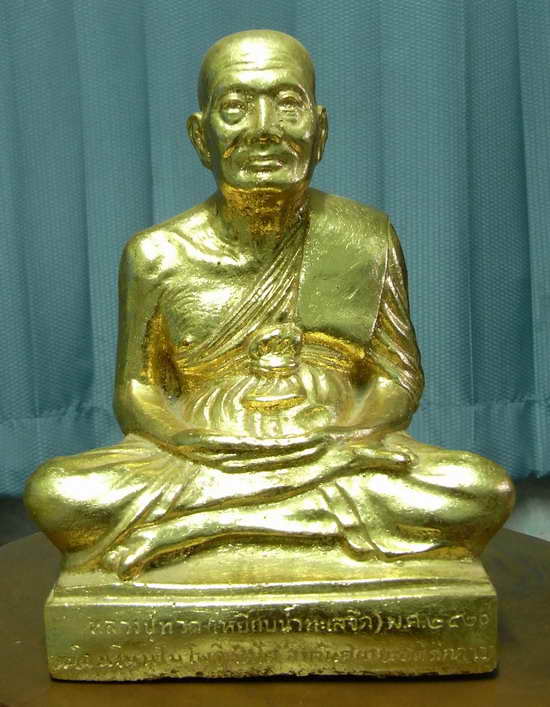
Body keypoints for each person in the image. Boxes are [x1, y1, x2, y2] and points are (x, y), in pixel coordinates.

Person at [25, 30, 514, 580]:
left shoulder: (364, 237)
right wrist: (190, 441)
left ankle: (203, 529)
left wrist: (339, 442)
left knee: (480, 490)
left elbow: (396, 379)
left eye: (287, 105)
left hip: (337, 453)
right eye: (235, 108)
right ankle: (282, 523)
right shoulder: (157, 255)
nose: (264, 129)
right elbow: (138, 389)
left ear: (320, 130)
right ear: (201, 137)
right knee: (60, 493)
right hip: (206, 459)